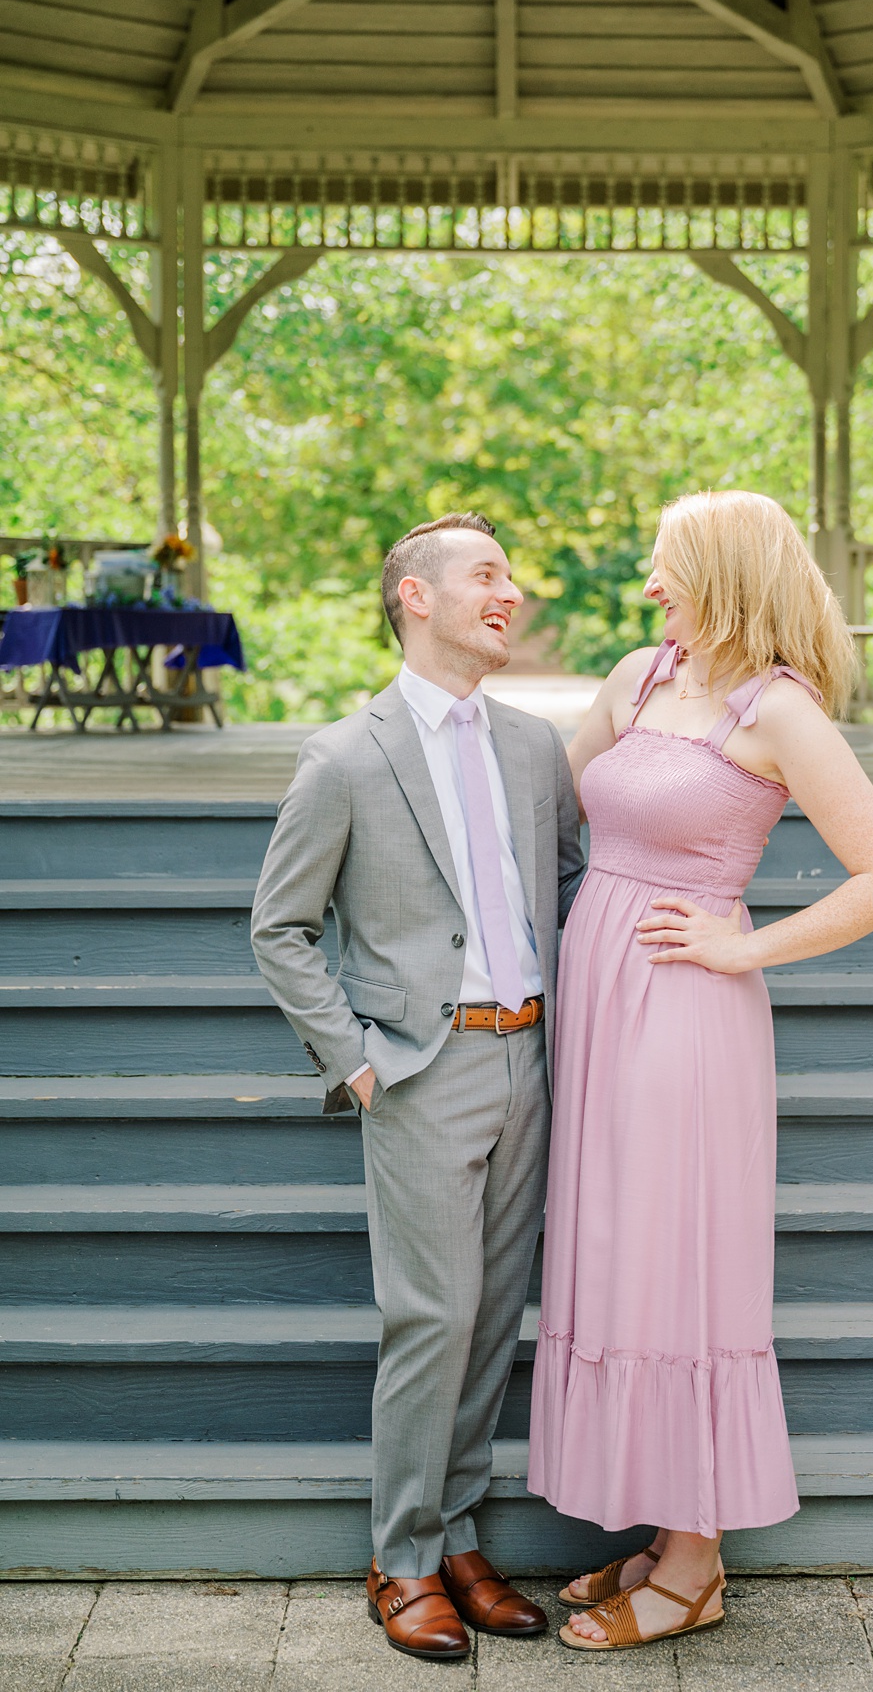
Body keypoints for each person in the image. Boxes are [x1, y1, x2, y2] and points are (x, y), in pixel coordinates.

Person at [532, 492, 873, 1650]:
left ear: (728, 576)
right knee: (613, 1249)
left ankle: (696, 1564)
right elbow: (539, 792)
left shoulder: (780, 708)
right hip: (598, 999)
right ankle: (663, 1527)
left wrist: (741, 942)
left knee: (675, 1256)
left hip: (688, 1013)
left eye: (667, 570)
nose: (649, 589)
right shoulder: (637, 678)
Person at [251, 514, 582, 1661]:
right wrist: (355, 1057)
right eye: (485, 575)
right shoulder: (345, 755)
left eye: (509, 575)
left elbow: (576, 889)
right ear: (414, 597)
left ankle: (455, 1530)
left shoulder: (538, 748)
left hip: (530, 1057)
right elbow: (281, 926)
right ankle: (400, 1560)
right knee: (430, 1317)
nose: (510, 591)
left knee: (491, 1320)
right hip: (421, 1068)